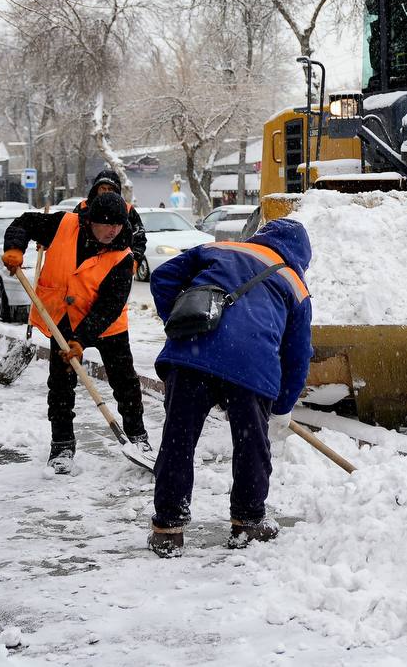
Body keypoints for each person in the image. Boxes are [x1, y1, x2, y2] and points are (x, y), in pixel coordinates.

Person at [146, 218, 313, 558]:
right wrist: (281, 409)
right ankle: (248, 524)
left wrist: (180, 319)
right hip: (251, 364)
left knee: (178, 441)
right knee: (251, 445)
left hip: (190, 354)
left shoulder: (219, 248)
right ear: (301, 255)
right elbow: (297, 357)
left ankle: (168, 529)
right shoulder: (295, 284)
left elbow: (162, 277)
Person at [2, 191, 150, 474]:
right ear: (91, 220)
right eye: (107, 224)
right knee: (60, 385)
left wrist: (81, 340)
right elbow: (23, 223)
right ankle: (62, 445)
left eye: (118, 225)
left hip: (107, 325)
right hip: (62, 316)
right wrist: (15, 248)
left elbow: (108, 307)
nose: (113, 231)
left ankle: (138, 437)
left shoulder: (123, 254)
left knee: (125, 383)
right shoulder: (62, 225)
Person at [74, 169, 146, 265]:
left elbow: (139, 237)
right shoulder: (83, 207)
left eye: (110, 189)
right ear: (96, 189)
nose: (106, 192)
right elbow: (72, 234)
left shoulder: (127, 210)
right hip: (85, 266)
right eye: (103, 188)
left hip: (117, 268)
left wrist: (134, 263)